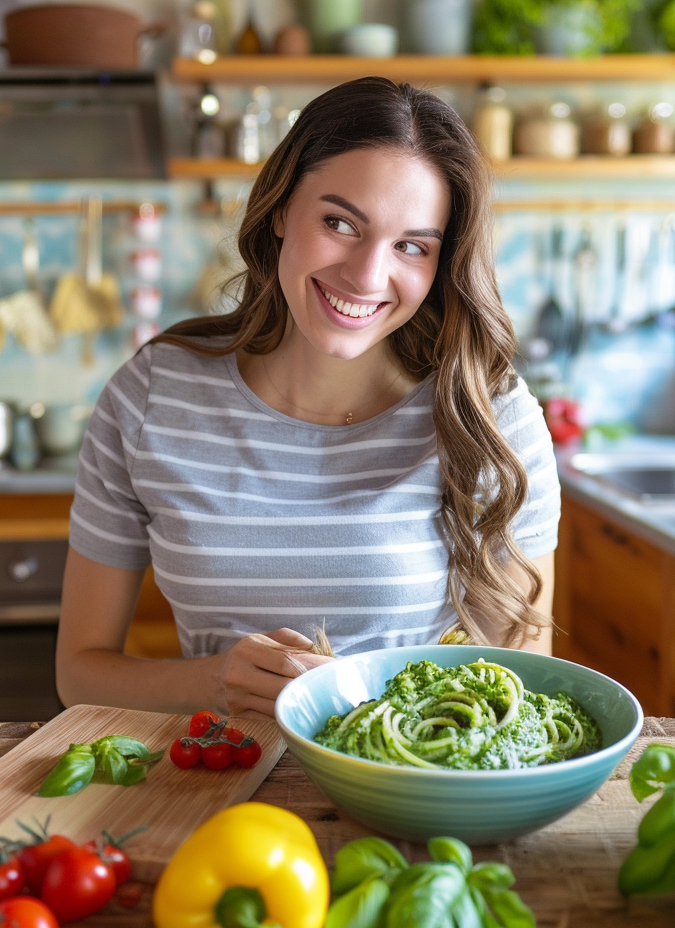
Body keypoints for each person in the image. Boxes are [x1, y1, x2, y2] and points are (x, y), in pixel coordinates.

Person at [56, 76, 560, 719]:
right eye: (340, 222)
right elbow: (79, 674)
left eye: (411, 245)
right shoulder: (152, 397)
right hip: (209, 785)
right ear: (277, 213)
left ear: (440, 264)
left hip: (414, 799)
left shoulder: (488, 415)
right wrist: (214, 684)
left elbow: (524, 691)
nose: (367, 275)